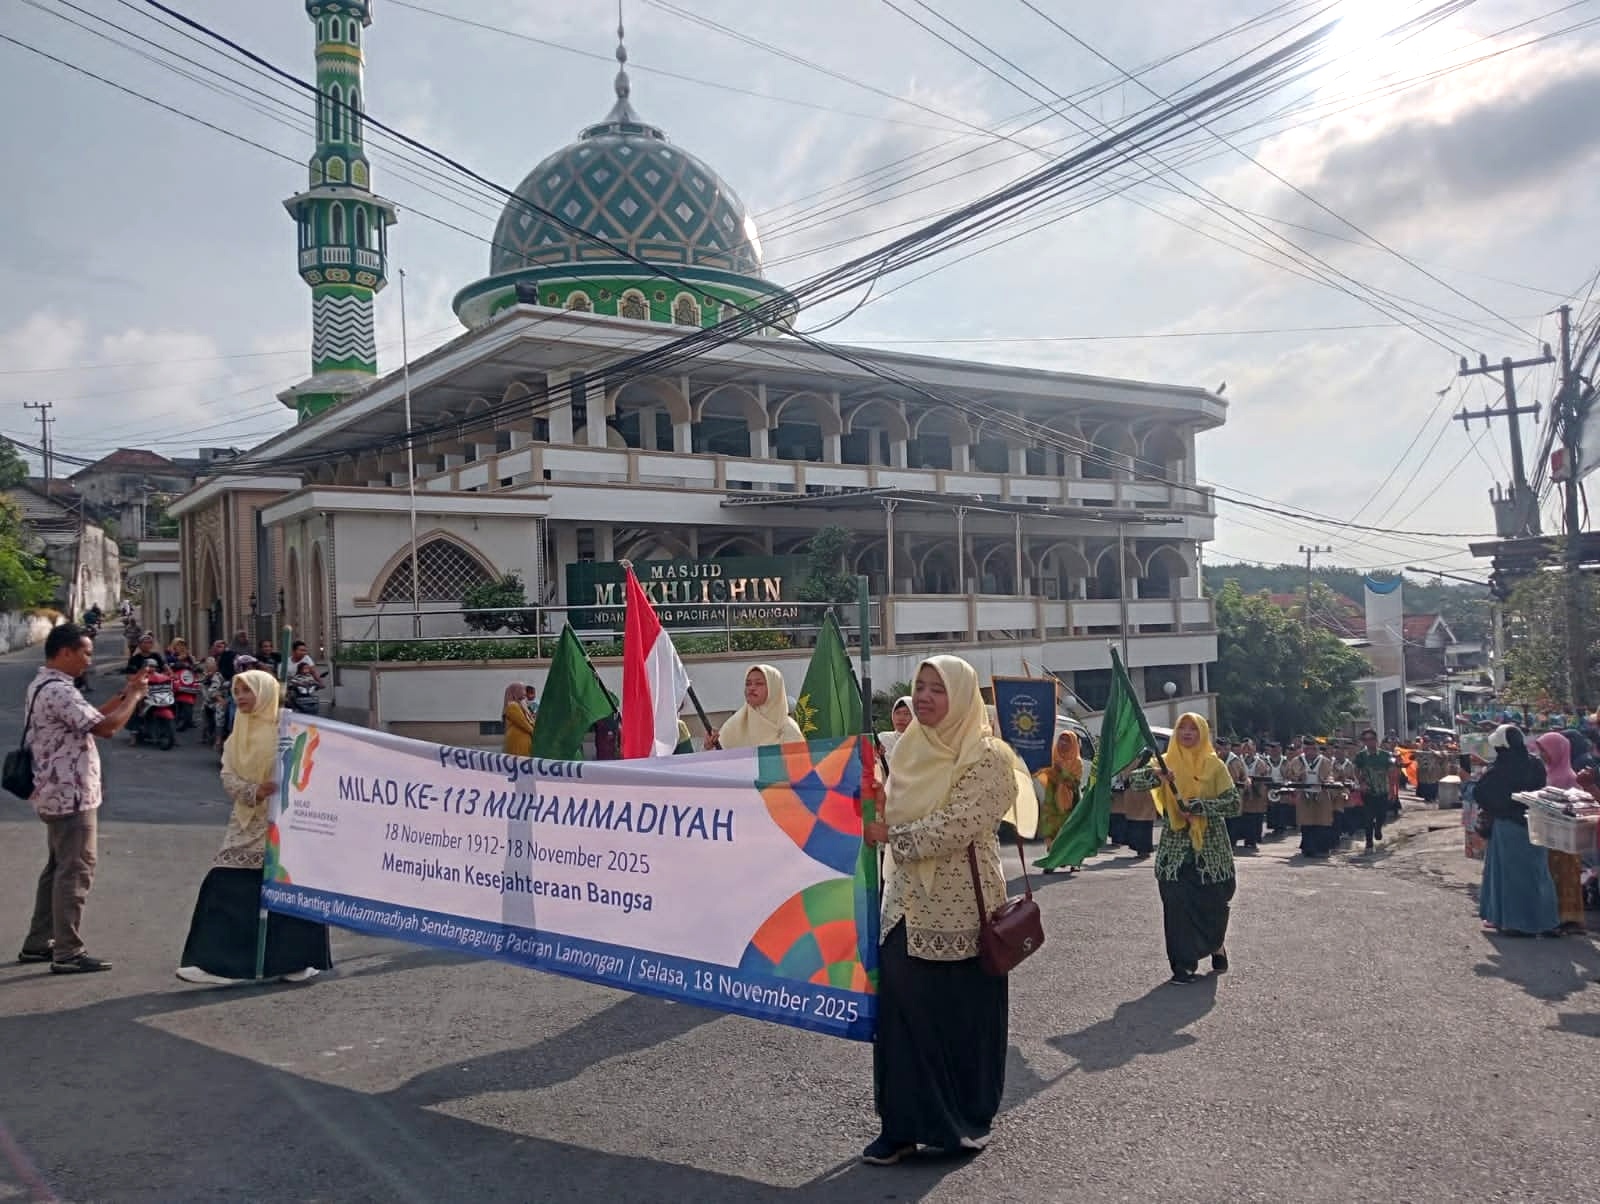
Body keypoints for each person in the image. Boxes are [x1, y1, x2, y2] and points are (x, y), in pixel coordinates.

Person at [859, 656, 1014, 1164]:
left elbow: (960, 824)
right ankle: (900, 1128)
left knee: (958, 1016)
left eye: (937, 690)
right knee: (902, 1017)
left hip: (962, 912)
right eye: (919, 687)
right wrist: (873, 803)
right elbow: (892, 814)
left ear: (962, 697)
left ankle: (961, 1120)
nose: (924, 697)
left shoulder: (988, 756)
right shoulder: (907, 749)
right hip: (904, 904)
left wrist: (893, 836)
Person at [177, 670, 332, 985]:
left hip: (286, 822)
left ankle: (297, 961)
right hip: (246, 822)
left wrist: (286, 775)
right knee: (225, 885)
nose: (242, 699)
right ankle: (217, 964)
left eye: (247, 691)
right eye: (238, 693)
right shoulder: (238, 732)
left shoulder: (286, 730)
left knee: (290, 892)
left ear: (265, 693)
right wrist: (254, 791)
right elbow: (227, 774)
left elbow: (309, 770)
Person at [17, 624, 149, 974]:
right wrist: (134, 700)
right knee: (75, 870)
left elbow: (91, 718)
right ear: (65, 653)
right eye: (86, 653)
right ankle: (67, 951)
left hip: (54, 791)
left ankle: (39, 941)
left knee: (57, 868)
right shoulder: (59, 691)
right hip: (70, 794)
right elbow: (107, 728)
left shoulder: (45, 684)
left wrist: (124, 694)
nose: (89, 661)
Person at [1128, 712, 1241, 984]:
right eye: (1182, 729)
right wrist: (1158, 774)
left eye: (1193, 729)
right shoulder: (1166, 762)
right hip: (1176, 846)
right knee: (1176, 904)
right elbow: (1135, 781)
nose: (1187, 733)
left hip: (1210, 846)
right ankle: (1183, 964)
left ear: (1202, 733)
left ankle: (1216, 944)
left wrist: (1202, 808)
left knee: (1214, 902)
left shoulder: (1215, 766)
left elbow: (1234, 804)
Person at [1476, 725, 1558, 937]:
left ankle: (1514, 922)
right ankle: (1544, 921)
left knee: (1510, 876)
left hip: (1508, 826)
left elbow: (1481, 793)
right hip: (1535, 823)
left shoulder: (1500, 769)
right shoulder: (1535, 764)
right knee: (1538, 873)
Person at [1533, 731, 1587, 934]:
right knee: (1552, 875)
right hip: (1550, 834)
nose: (1542, 755)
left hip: (1565, 837)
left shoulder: (1568, 777)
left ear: (1557, 751)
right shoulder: (1549, 772)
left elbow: (1576, 807)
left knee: (1565, 876)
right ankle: (1554, 916)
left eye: (1545, 750)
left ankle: (1568, 919)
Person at [707, 664, 803, 750]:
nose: (752, 688)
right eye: (748, 684)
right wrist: (709, 747)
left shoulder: (789, 729)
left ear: (773, 689)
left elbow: (800, 767)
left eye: (759, 683)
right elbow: (716, 763)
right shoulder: (736, 724)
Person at [1033, 730, 1082, 871]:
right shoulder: (1052, 758)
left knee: (1067, 832)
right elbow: (1041, 771)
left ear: (1073, 744)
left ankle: (1072, 860)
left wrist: (1062, 772)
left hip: (1068, 804)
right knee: (1050, 832)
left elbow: (1075, 783)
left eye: (1067, 741)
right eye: (1061, 740)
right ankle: (1053, 861)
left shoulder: (1077, 762)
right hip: (1051, 802)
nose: (1063, 743)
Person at [1289, 738, 1336, 859]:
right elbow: (1290, 775)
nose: (1311, 752)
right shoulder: (1297, 761)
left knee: (1322, 822)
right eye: (1308, 749)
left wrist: (1327, 780)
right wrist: (1298, 776)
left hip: (1321, 793)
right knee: (1307, 822)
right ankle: (1308, 848)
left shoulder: (1324, 761)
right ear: (1304, 749)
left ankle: (1322, 848)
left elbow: (1330, 775)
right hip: (1304, 794)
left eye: (1313, 749)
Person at [1352, 729, 1395, 853]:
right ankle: (1369, 843)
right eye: (1366, 740)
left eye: (1371, 739)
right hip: (1368, 791)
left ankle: (1378, 828)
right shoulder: (1361, 756)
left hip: (1382, 790)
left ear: (1376, 740)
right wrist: (1361, 783)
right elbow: (1356, 770)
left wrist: (1392, 790)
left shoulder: (1385, 755)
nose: (1369, 742)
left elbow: (1391, 772)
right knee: (1368, 817)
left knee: (1381, 814)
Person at [1230, 738, 1268, 849]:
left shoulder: (1260, 762)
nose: (1247, 751)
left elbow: (1263, 775)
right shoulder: (1238, 761)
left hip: (1255, 795)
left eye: (1249, 748)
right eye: (1245, 748)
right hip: (1242, 793)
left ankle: (1252, 840)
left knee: (1254, 818)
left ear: (1254, 749)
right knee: (1242, 818)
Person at [502, 683, 534, 756]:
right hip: (518, 741)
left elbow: (530, 720)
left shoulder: (521, 705)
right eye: (521, 689)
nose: (524, 693)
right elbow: (524, 723)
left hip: (525, 742)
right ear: (515, 691)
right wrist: (534, 732)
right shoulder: (512, 706)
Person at [878, 695, 914, 760]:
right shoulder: (883, 739)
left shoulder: (923, 742)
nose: (901, 718)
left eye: (906, 713)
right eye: (897, 713)